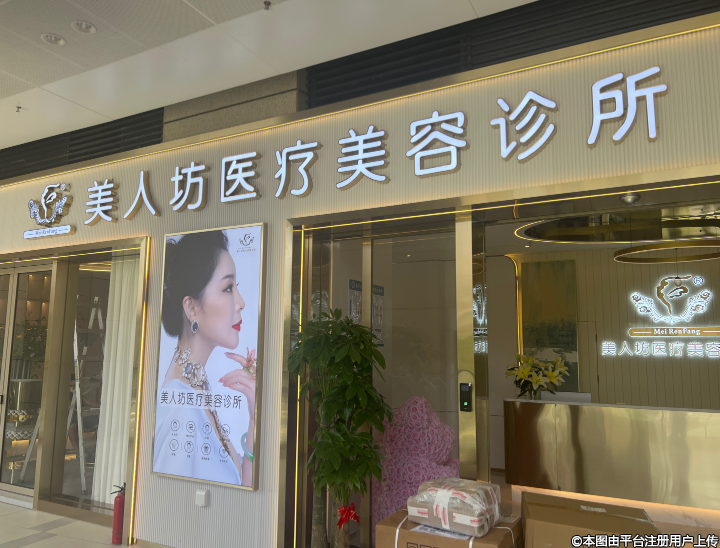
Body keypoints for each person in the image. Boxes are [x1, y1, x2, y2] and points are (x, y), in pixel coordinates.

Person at [153, 230, 257, 486]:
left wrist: (255, 416)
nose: (241, 302)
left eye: (236, 288)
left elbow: (242, 490)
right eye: (228, 288)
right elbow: (169, 500)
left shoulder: (195, 388)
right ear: (191, 308)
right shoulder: (181, 409)